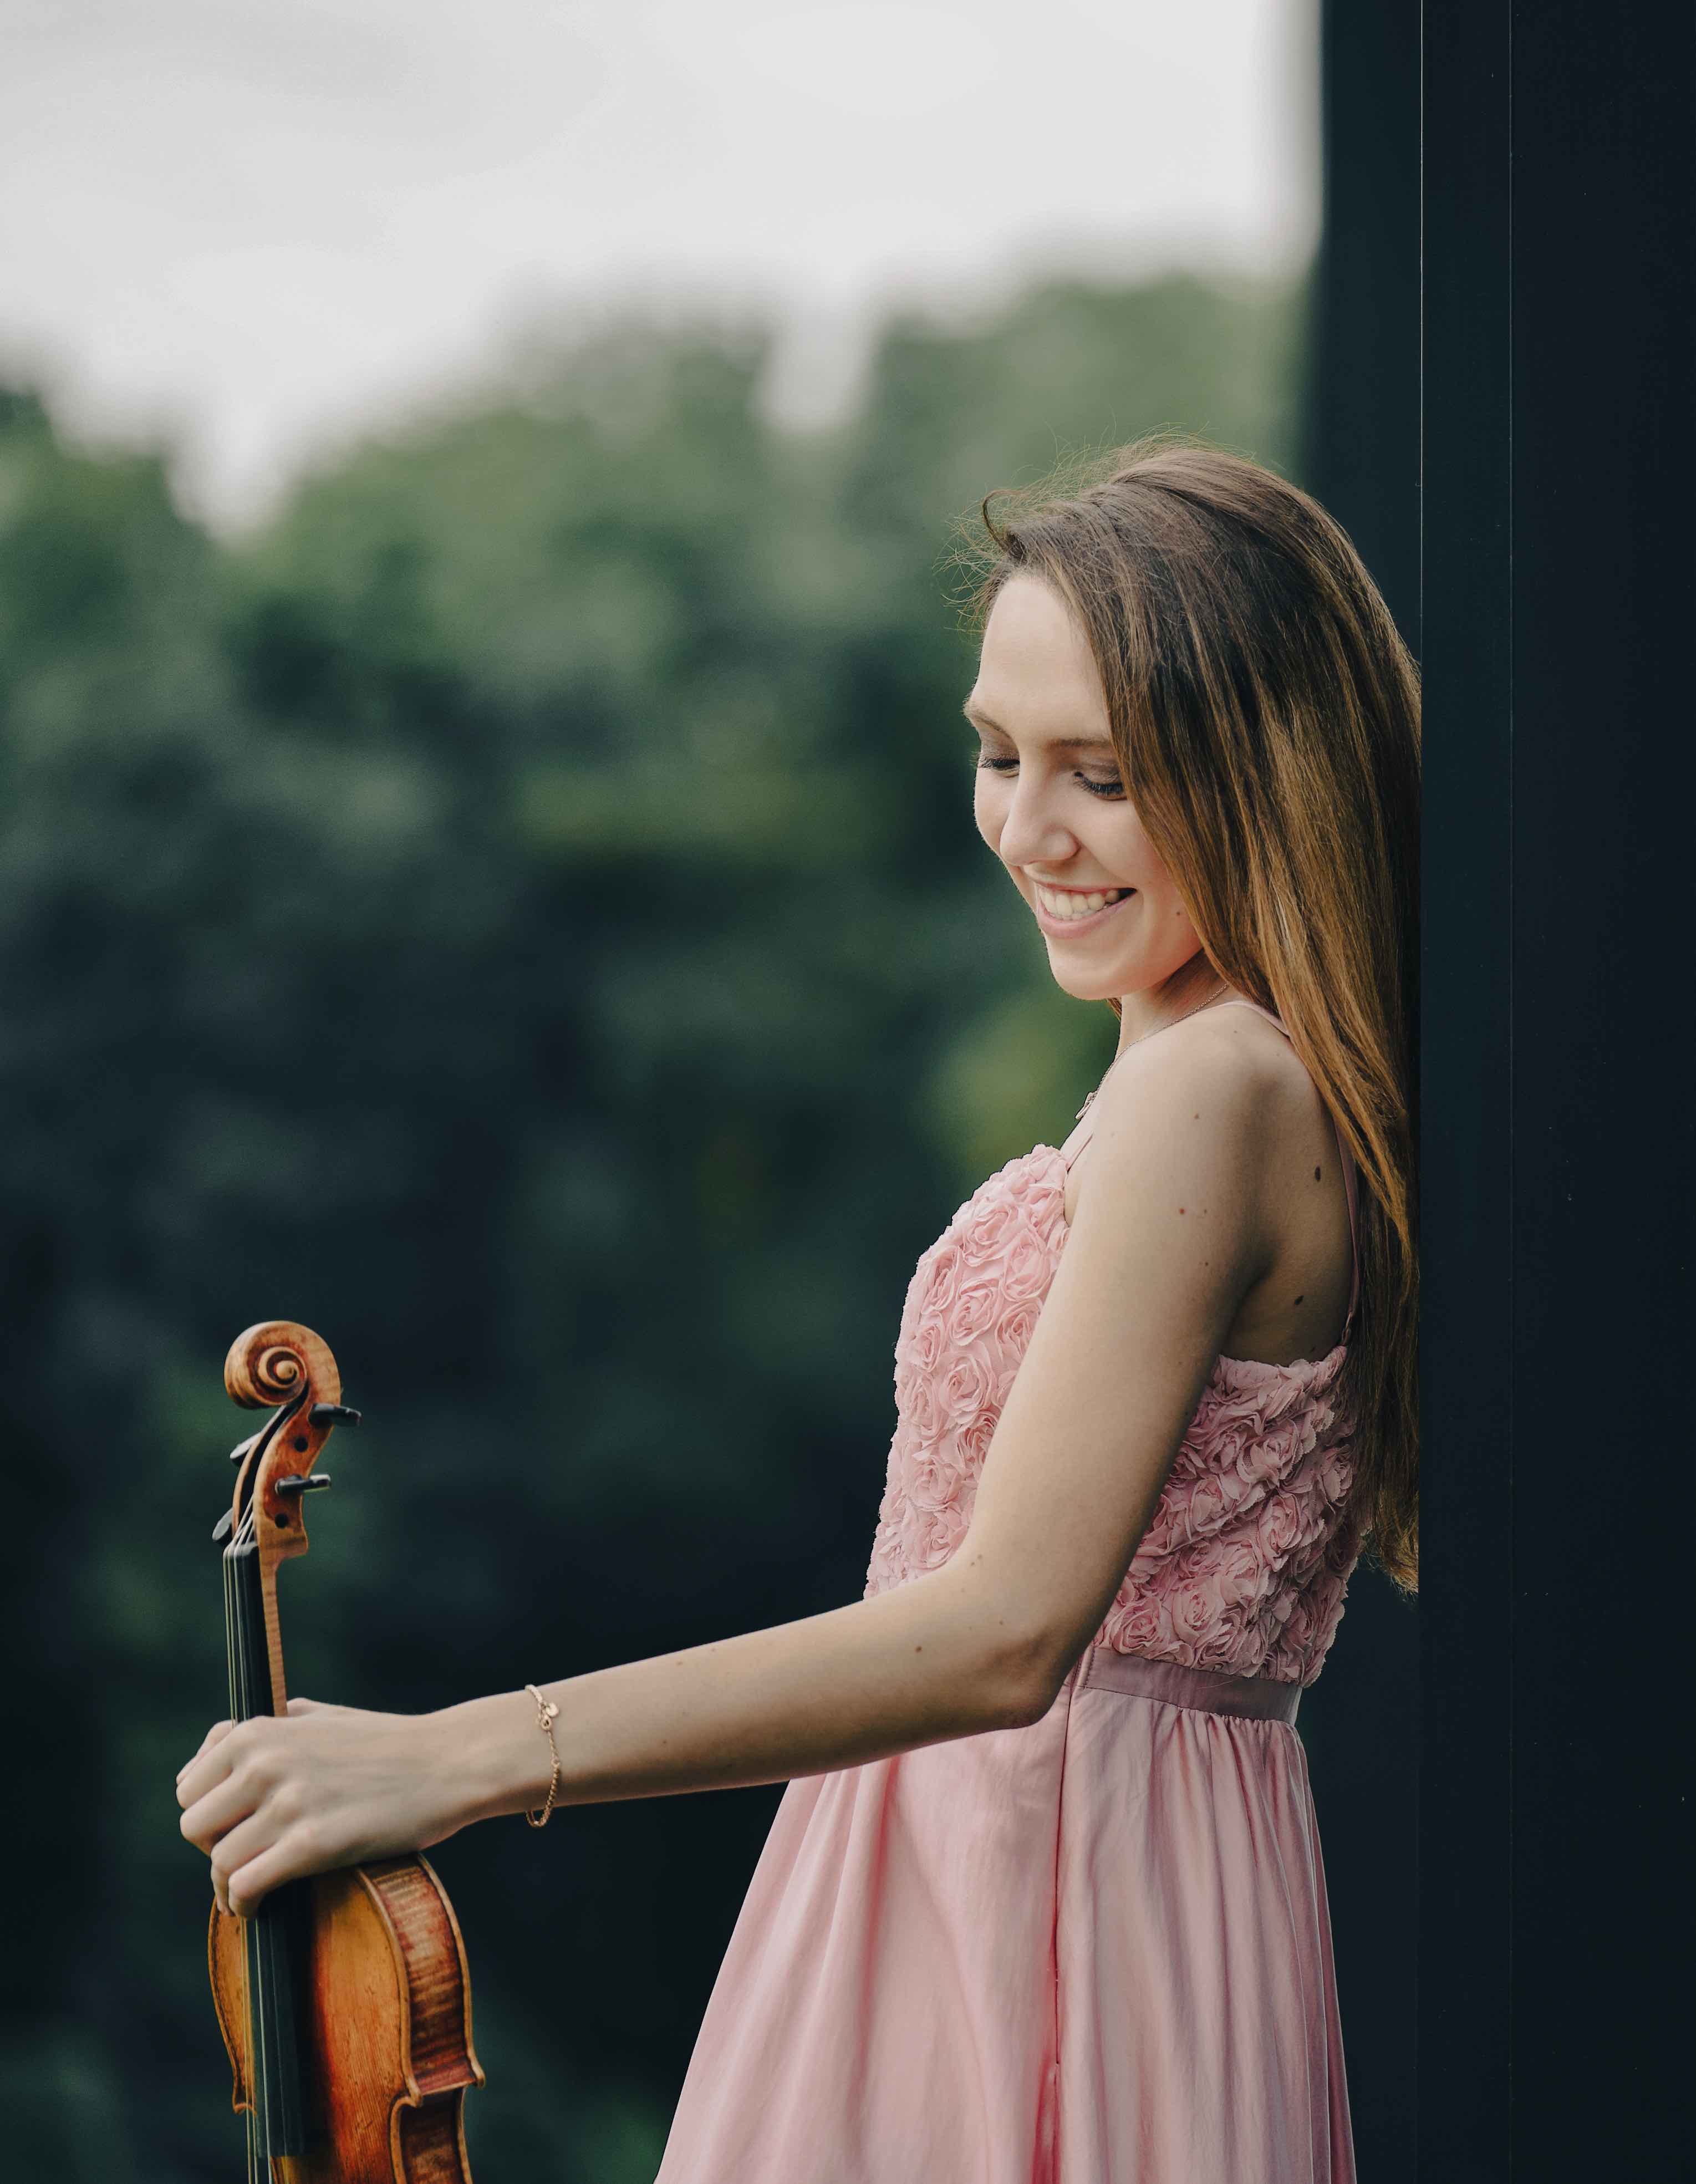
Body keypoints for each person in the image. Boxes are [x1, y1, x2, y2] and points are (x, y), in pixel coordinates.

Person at [177, 442, 1420, 2184]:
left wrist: (453, 1759)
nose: (1029, 828)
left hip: (1042, 1892)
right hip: (1041, 1869)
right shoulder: (1230, 1068)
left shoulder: (1213, 1089)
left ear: (1264, 771)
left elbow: (1000, 1631)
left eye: (1106, 775)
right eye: (1000, 753)